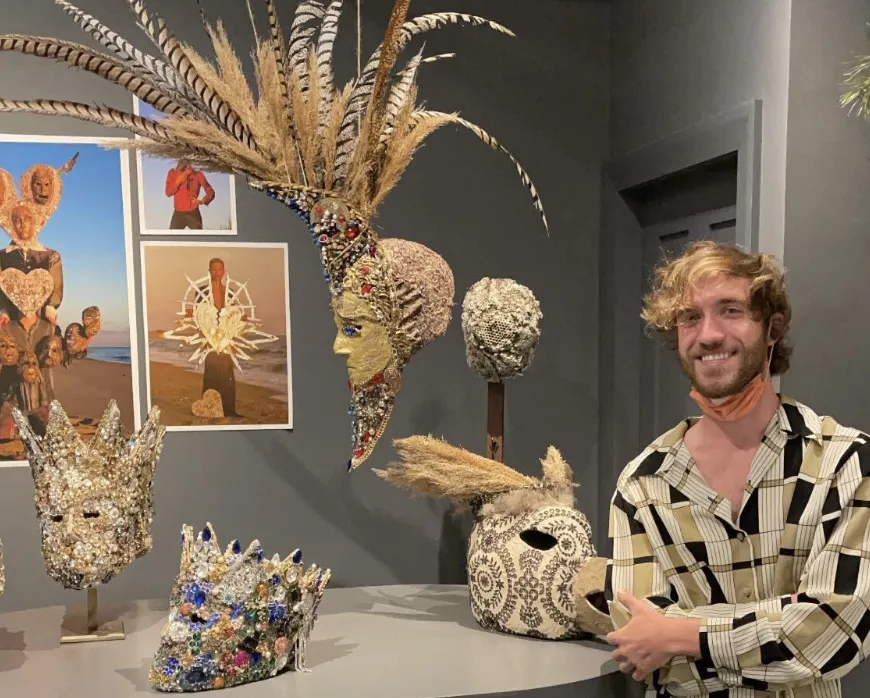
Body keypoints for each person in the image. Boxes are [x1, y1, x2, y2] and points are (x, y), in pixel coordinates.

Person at [605, 240, 870, 698]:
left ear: (771, 328)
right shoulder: (643, 485)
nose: (708, 334)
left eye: (729, 310)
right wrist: (784, 624)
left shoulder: (844, 465)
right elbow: (638, 645)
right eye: (690, 317)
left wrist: (678, 636)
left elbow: (834, 634)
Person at [194, 258, 240, 417]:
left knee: (228, 374)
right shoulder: (202, 291)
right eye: (214, 269)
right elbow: (198, 314)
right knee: (211, 372)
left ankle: (229, 410)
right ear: (209, 271)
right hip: (210, 337)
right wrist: (203, 336)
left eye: (220, 269)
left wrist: (242, 321)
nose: (217, 272)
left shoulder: (230, 292)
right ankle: (208, 407)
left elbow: (235, 315)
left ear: (224, 271)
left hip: (226, 337)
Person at [165, 158, 215, 230]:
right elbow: (168, 193)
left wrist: (203, 201)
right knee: (172, 239)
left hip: (193, 213)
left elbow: (211, 192)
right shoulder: (172, 173)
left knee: (199, 239)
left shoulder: (198, 175)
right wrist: (178, 181)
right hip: (178, 213)